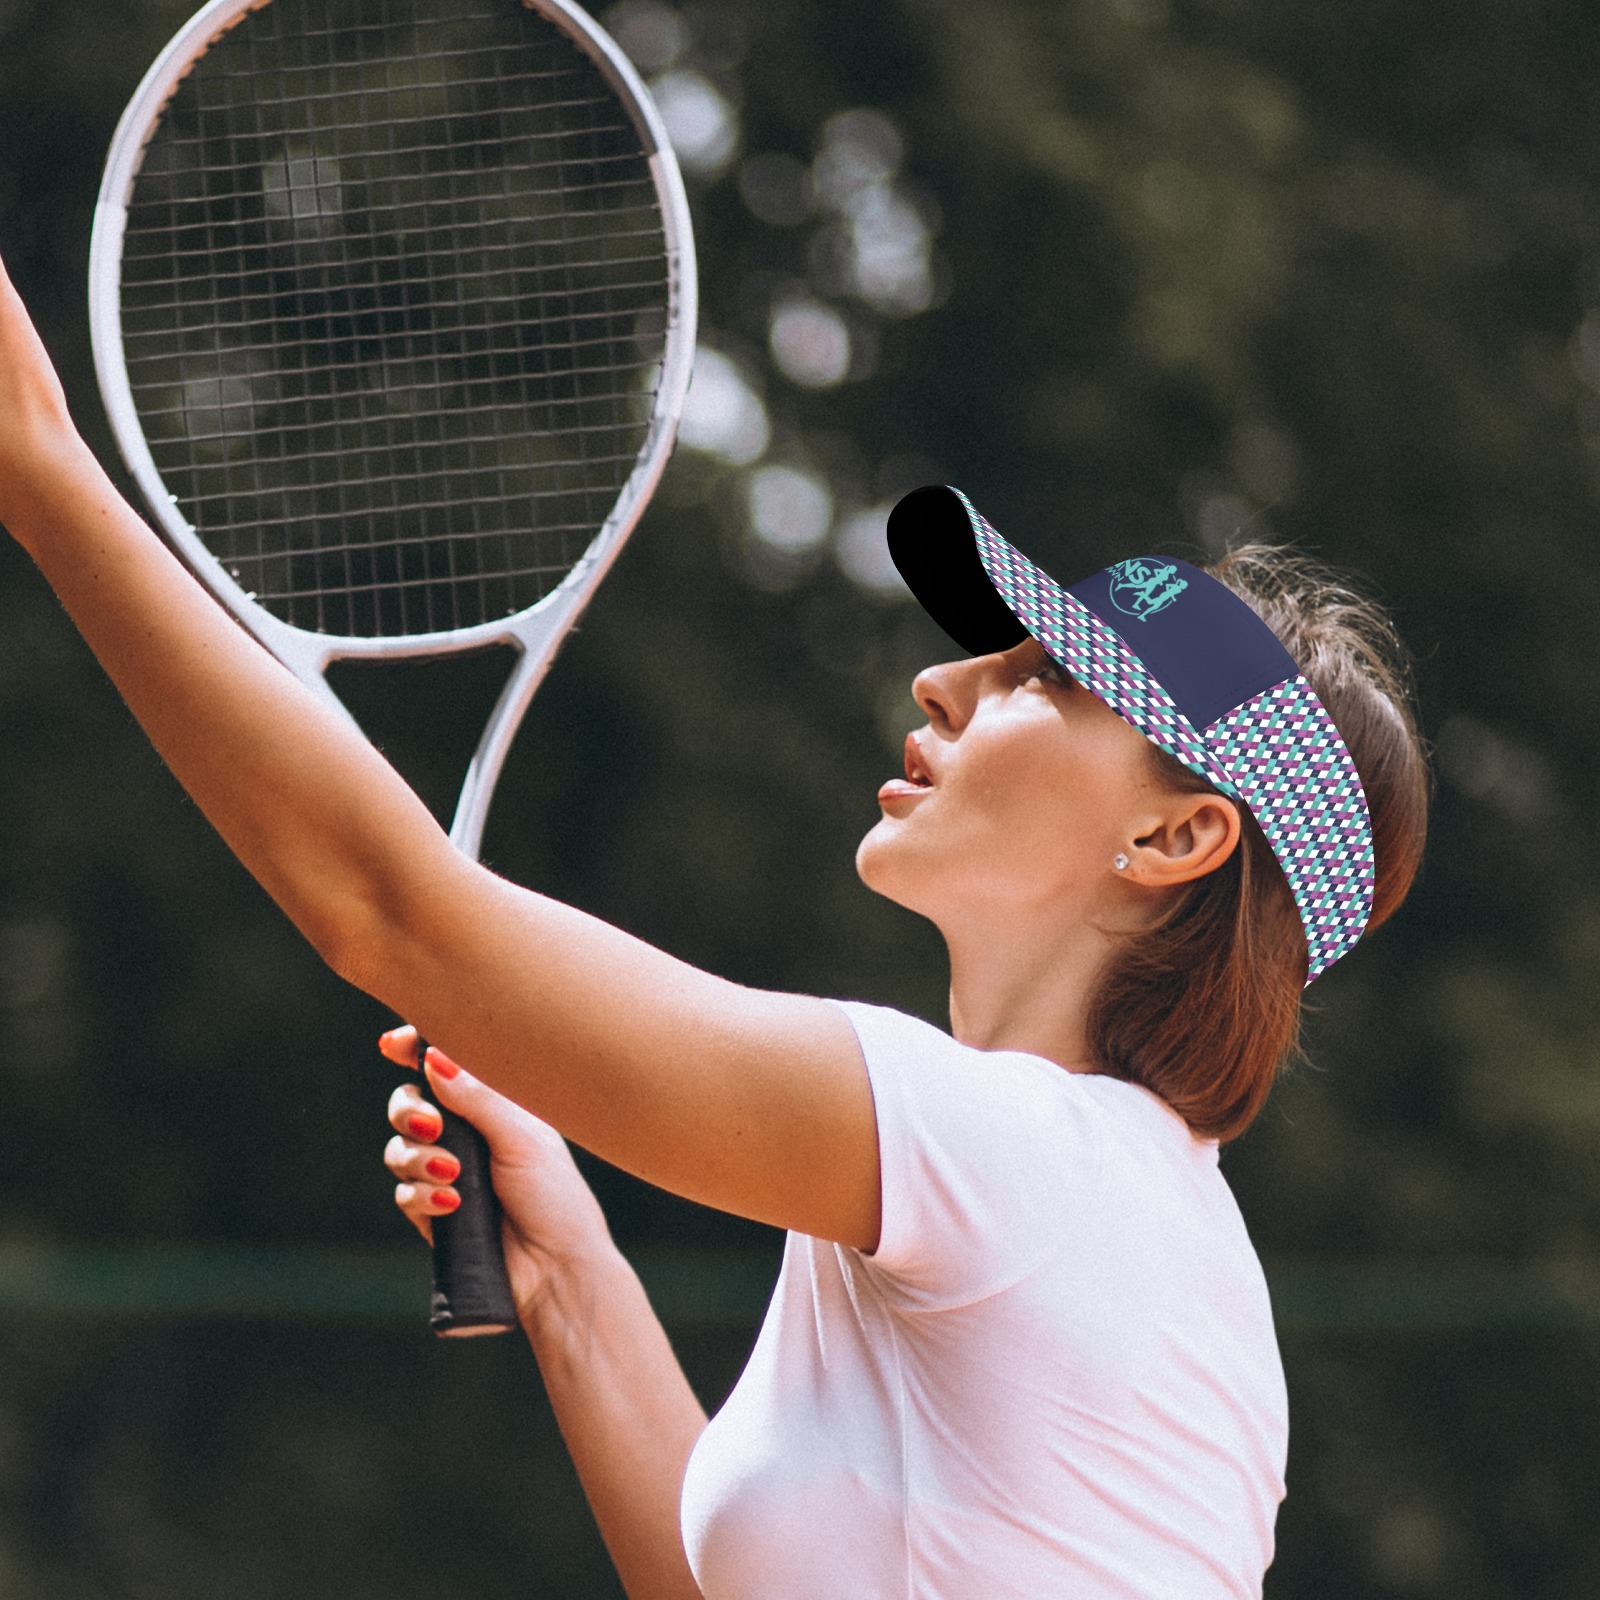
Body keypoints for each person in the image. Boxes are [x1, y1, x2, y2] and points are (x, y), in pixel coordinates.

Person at [0, 249, 1428, 1599]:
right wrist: (572, 1282)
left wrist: (43, 466)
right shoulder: (1084, 1205)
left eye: (1040, 680)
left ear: (1175, 838)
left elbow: (388, 910)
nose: (942, 686)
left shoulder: (1009, 1159)